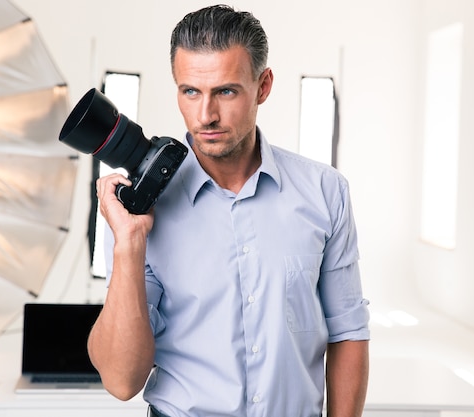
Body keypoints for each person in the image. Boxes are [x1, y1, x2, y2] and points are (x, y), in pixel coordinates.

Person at [88, 4, 370, 417]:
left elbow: (347, 331)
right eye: (191, 92)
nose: (206, 116)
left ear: (263, 86)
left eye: (226, 91)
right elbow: (120, 380)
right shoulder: (136, 210)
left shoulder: (325, 192)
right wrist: (128, 242)